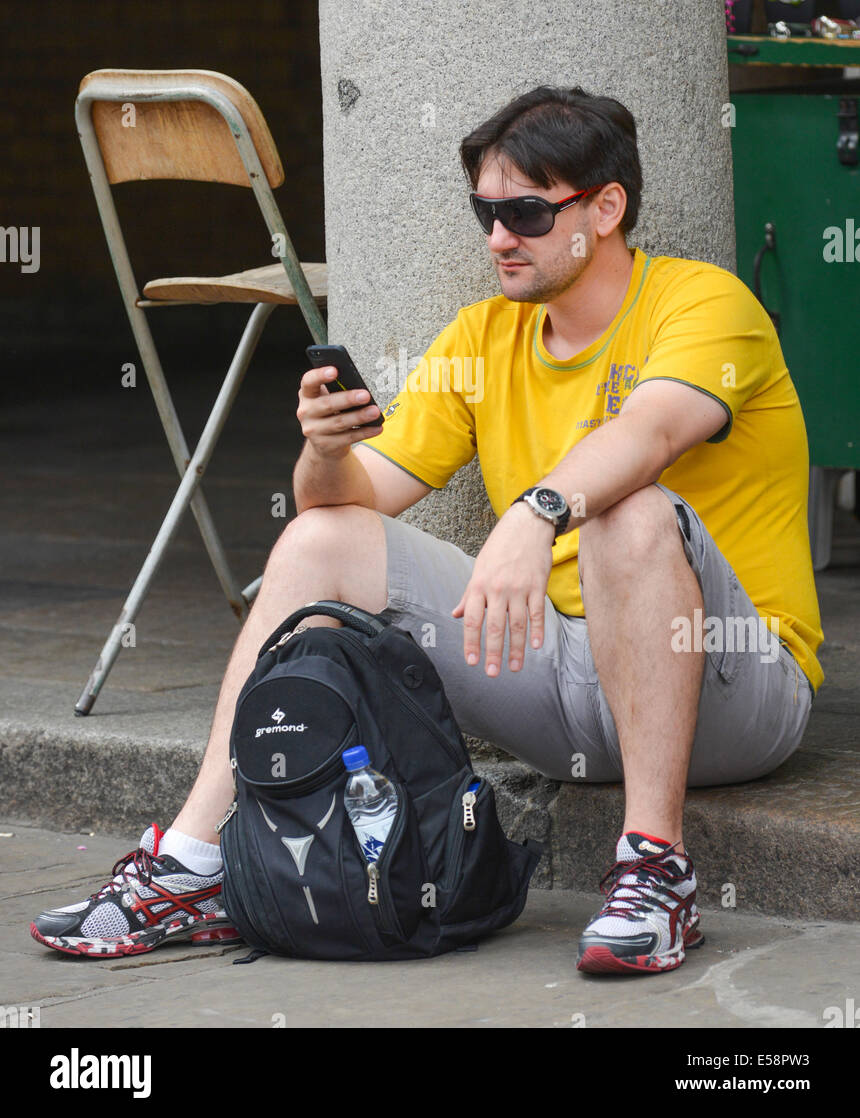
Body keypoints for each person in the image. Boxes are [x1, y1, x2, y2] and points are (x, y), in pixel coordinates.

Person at [31, 86, 823, 974]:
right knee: (318, 542)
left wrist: (538, 511)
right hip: (567, 679)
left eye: (525, 211)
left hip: (731, 682)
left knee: (625, 506)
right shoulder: (486, 336)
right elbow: (348, 500)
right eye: (486, 212)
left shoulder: (704, 304)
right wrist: (323, 453)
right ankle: (192, 866)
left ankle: (657, 872)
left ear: (607, 208)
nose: (497, 238)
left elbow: (648, 436)